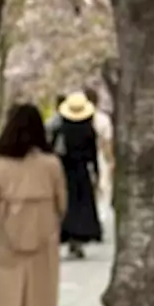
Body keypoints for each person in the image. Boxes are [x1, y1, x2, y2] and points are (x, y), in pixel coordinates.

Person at [0, 103, 66, 306]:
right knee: (41, 296)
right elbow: (62, 204)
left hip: (7, 234)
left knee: (5, 295)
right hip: (44, 234)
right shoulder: (52, 165)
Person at [50, 91, 103, 258]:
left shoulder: (61, 128)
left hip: (64, 170)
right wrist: (96, 171)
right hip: (81, 171)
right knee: (82, 206)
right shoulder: (88, 130)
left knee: (65, 204)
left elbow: (52, 149)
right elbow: (93, 153)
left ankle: (65, 235)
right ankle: (78, 239)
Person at [85, 89, 114, 213]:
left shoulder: (77, 120)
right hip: (100, 157)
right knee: (103, 189)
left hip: (84, 158)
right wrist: (111, 160)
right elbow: (107, 143)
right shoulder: (103, 119)